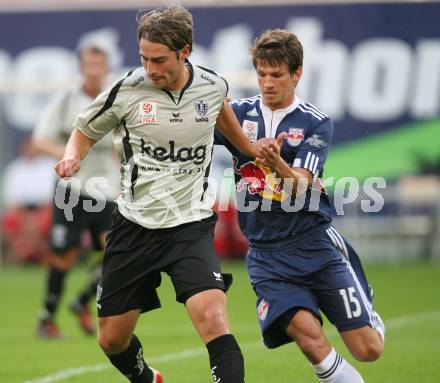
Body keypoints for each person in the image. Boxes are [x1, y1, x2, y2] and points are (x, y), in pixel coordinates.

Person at [54, 6, 264, 383]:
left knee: (214, 321)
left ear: (185, 51)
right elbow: (84, 130)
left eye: (159, 60)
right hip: (135, 225)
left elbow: (231, 129)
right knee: (112, 341)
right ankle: (148, 379)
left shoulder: (212, 87)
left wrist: (255, 151)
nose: (151, 68)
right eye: (144, 59)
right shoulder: (128, 90)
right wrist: (72, 157)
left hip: (190, 224)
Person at [215, 29, 385, 383]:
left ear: (297, 74)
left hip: (313, 244)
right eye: (261, 73)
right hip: (265, 255)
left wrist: (277, 163)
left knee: (368, 350)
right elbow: (195, 122)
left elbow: (304, 184)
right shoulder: (238, 115)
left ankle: (366, 311)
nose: (267, 82)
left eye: (276, 75)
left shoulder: (314, 121)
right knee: (308, 337)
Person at [32, 42, 119, 338]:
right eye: (88, 65)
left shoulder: (115, 99)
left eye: (99, 65)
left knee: (116, 251)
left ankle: (82, 301)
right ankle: (47, 317)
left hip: (106, 188)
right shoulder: (66, 101)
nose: (94, 71)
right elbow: (39, 140)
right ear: (81, 68)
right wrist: (69, 152)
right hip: (71, 188)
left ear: (106, 68)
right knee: (65, 256)